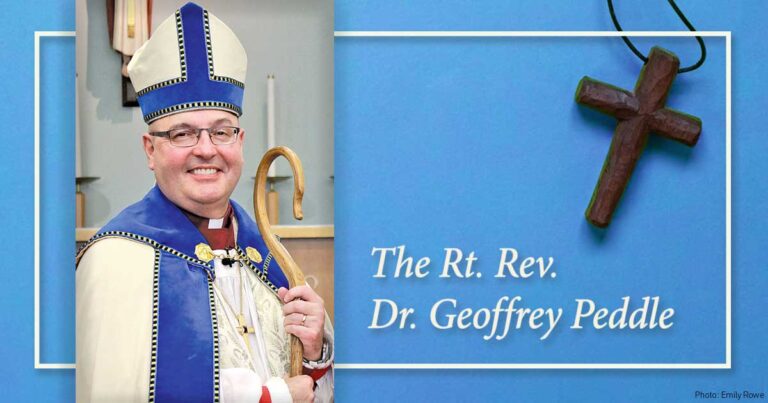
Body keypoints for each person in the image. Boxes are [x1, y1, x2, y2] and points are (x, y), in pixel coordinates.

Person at [76, 3, 333, 402]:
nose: (206, 151)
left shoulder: (269, 258)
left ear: (241, 142)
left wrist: (316, 353)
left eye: (222, 132)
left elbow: (314, 384)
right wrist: (275, 397)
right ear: (150, 149)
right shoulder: (115, 260)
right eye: (182, 134)